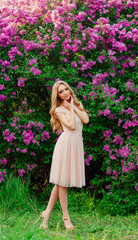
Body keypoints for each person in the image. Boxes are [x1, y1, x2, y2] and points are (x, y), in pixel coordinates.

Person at [38, 80, 89, 230]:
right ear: (58, 96)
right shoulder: (58, 110)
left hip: (76, 145)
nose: (65, 92)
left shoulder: (77, 104)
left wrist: (73, 106)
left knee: (60, 182)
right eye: (61, 91)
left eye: (66, 89)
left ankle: (46, 214)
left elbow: (86, 120)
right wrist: (70, 109)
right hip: (65, 145)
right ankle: (66, 217)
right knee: (63, 183)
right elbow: (71, 126)